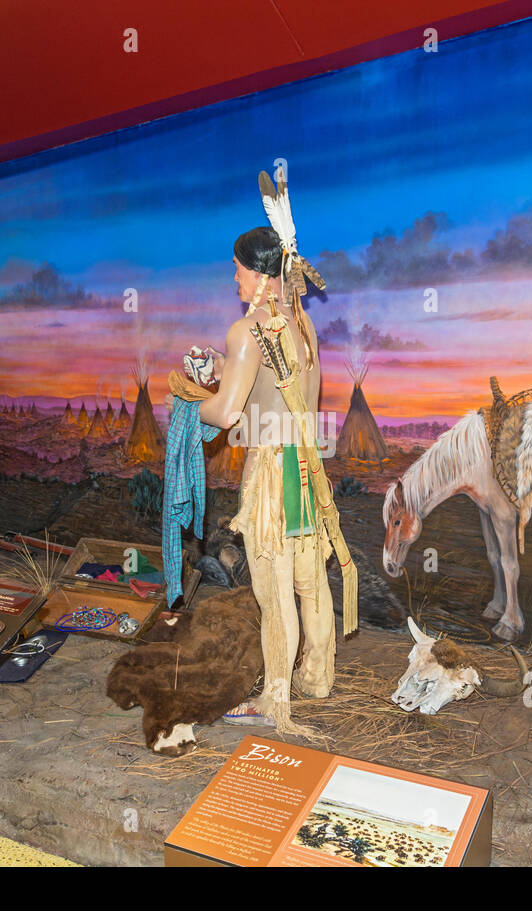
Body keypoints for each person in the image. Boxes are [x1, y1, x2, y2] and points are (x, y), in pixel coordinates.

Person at [190, 173, 358, 734]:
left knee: (271, 587)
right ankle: (318, 674)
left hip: (271, 471)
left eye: (238, 268)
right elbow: (268, 381)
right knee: (310, 580)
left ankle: (277, 700)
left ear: (261, 274)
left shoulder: (248, 329)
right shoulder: (303, 324)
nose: (233, 277)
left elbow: (229, 413)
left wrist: (188, 396)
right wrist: (223, 367)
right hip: (307, 468)